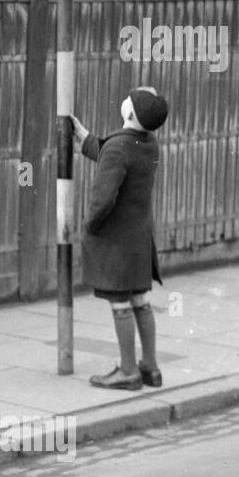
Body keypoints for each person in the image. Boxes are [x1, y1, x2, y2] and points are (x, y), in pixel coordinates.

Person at [69, 86, 169, 391]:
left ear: (128, 113)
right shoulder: (148, 142)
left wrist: (88, 228)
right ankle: (150, 368)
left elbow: (103, 199)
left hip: (116, 241)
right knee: (140, 299)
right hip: (139, 239)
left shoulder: (119, 148)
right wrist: (85, 139)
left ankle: (128, 371)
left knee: (119, 303)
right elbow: (118, 152)